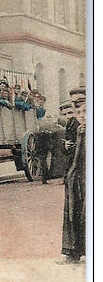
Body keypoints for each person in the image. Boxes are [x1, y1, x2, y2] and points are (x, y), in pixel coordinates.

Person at [61, 89, 85, 263]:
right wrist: (67, 147)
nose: (76, 106)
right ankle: (72, 253)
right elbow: (64, 148)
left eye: (80, 101)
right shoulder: (71, 123)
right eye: (73, 103)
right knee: (72, 213)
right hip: (74, 173)